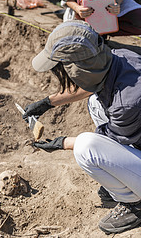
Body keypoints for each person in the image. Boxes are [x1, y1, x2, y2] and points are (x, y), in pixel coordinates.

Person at [23, 20, 141, 234]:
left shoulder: (127, 102)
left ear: (81, 69)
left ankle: (136, 205)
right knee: (95, 102)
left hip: (128, 127)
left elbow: (103, 142)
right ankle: (127, 177)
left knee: (86, 148)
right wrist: (47, 103)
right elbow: (93, 85)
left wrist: (63, 143)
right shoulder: (120, 58)